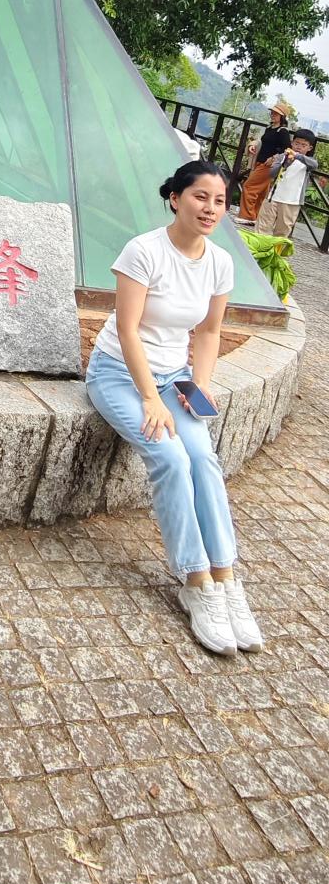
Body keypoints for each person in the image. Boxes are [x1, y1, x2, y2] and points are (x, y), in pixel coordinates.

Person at [86, 161, 262, 657]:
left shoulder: (220, 263)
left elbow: (208, 332)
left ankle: (226, 579)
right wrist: (149, 397)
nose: (211, 208)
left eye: (220, 201)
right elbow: (127, 330)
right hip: (119, 374)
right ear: (175, 198)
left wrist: (198, 387)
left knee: (204, 458)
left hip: (175, 377)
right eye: (200, 197)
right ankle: (195, 582)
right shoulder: (143, 251)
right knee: (170, 456)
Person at [257, 129, 318, 238]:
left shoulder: (307, 161)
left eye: (303, 145)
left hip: (292, 201)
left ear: (309, 148)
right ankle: (258, 247)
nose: (299, 147)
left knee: (283, 231)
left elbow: (314, 165)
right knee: (262, 227)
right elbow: (272, 173)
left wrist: (297, 156)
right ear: (292, 143)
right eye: (297, 143)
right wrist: (285, 164)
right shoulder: (282, 156)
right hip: (273, 197)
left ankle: (276, 249)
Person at [238, 104, 290, 222]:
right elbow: (263, 142)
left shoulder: (283, 131)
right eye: (272, 112)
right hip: (260, 161)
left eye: (276, 114)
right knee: (262, 193)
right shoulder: (269, 128)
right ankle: (256, 216)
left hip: (269, 165)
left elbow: (286, 149)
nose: (273, 115)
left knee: (248, 186)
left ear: (282, 117)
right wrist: (253, 145)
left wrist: (273, 157)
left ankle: (247, 216)